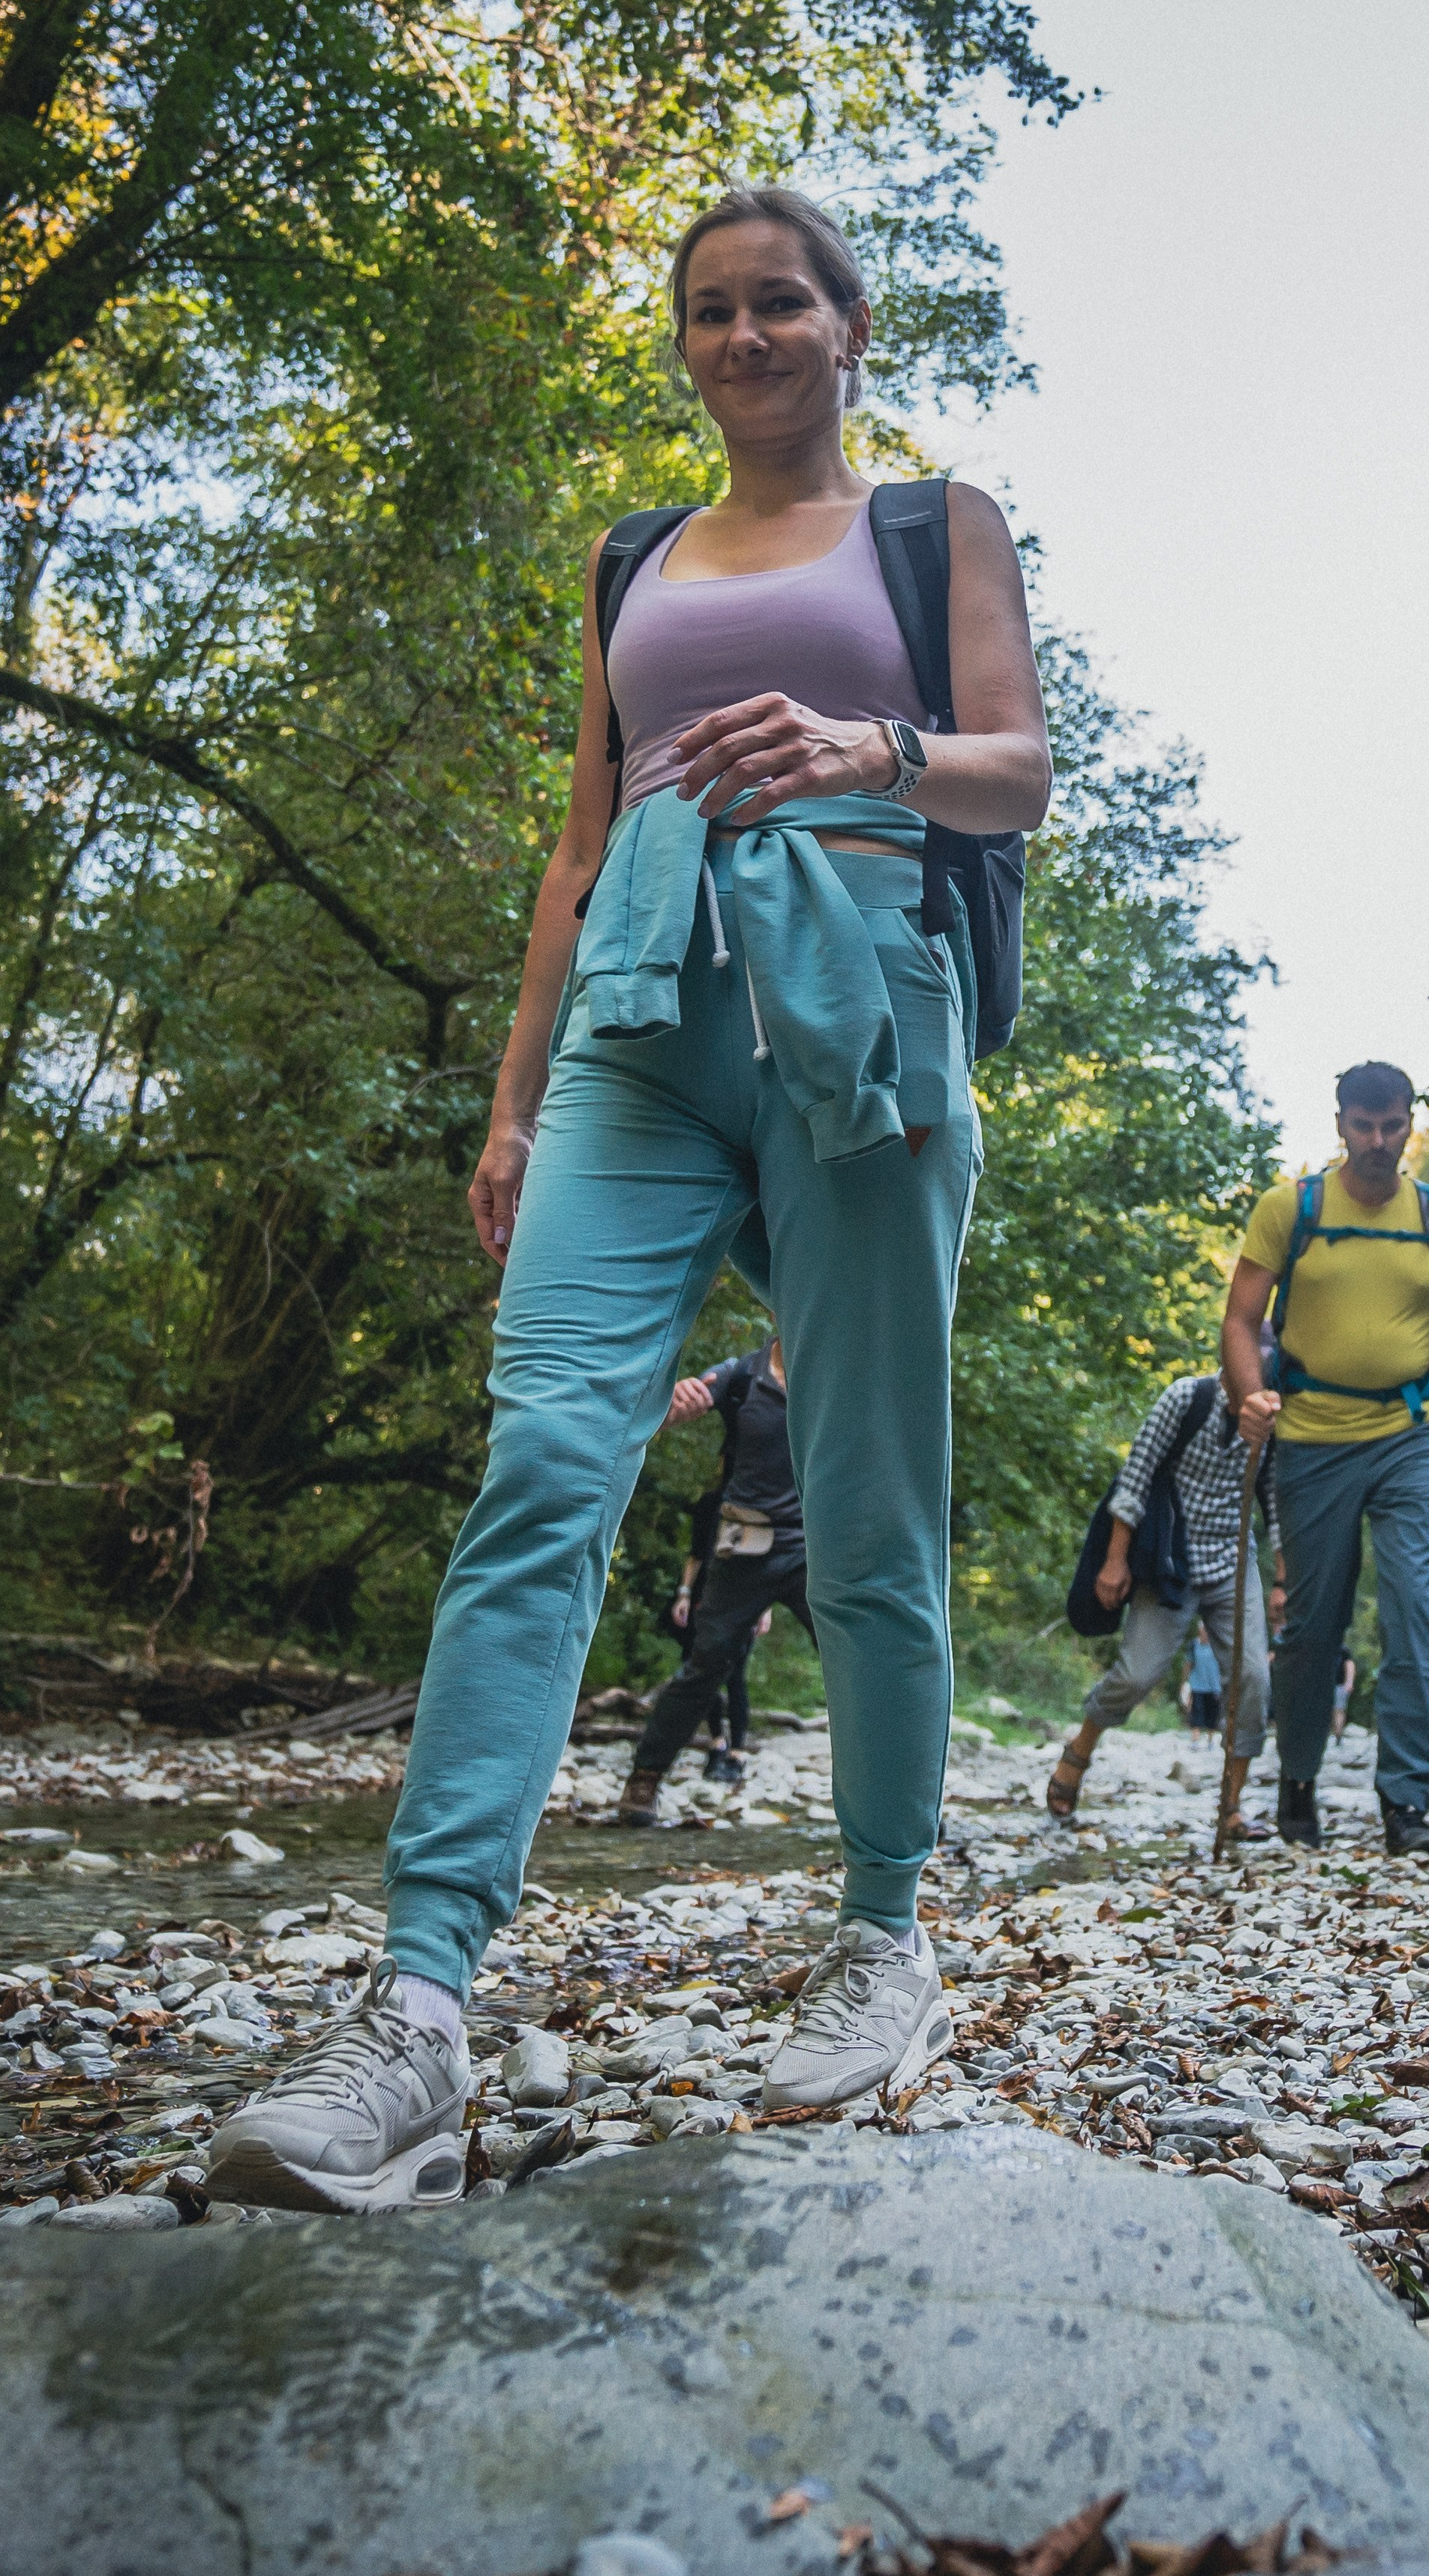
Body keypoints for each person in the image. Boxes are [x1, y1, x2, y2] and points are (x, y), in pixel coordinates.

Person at [206, 184, 1051, 2211]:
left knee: (867, 1502)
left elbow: (1019, 770)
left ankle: (881, 1937)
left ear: (850, 326)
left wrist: (868, 743)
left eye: (780, 303)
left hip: (863, 1012)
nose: (742, 336)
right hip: (640, 1032)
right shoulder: (631, 561)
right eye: (709, 310)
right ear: (683, 343)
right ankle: (418, 2007)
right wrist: (511, 1107)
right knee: (544, 1469)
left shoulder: (937, 524)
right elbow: (577, 854)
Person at [1224, 1061, 1429, 1860]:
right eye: (1363, 1125)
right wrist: (1250, 1396)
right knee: (1313, 1624)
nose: (1377, 1141)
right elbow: (1240, 1319)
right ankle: (1298, 1780)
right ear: (1340, 1124)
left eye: (1391, 1125)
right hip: (1311, 1437)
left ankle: (1407, 1802)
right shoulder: (1291, 1209)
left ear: (1408, 1124)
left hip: (1410, 1435)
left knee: (1415, 1608)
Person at [1045, 1375, 1278, 1840]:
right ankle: (1079, 1750)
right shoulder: (1187, 1399)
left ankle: (1231, 1807)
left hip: (1233, 1563)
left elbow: (1276, 1503)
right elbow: (1134, 1479)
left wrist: (1285, 1583)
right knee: (1137, 1674)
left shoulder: (1275, 1423)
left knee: (1253, 1676)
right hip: (1170, 1558)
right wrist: (1115, 1560)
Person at [618, 1334, 810, 1820]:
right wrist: (672, 1401)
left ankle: (901, 1809)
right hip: (746, 1547)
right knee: (705, 1664)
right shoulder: (742, 1375)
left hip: (818, 1550)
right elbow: (658, 1414)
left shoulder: (844, 1376)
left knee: (857, 1663)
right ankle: (644, 1780)